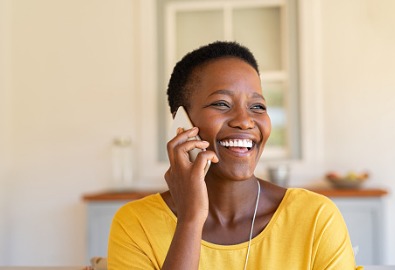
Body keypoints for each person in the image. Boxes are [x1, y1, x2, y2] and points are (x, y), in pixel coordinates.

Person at [108, 41, 356, 269]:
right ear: (182, 123)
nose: (245, 121)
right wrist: (190, 220)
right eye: (221, 104)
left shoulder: (315, 217)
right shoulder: (135, 224)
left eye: (257, 106)